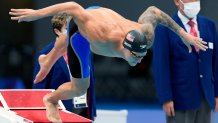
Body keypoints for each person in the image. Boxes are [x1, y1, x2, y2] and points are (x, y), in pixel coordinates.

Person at [9, 2, 208, 122]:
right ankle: (50, 99)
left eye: (142, 56)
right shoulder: (101, 36)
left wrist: (183, 35)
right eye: (136, 56)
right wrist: (36, 15)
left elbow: (154, 12)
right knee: (80, 86)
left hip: (101, 16)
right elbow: (73, 8)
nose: (139, 60)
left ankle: (47, 61)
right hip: (85, 29)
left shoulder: (146, 34)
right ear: (124, 47)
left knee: (65, 49)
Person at [153, 0, 218, 123]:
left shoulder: (210, 25)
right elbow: (161, 67)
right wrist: (166, 98)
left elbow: (216, 63)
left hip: (206, 97)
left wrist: (216, 93)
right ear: (177, 2)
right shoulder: (164, 29)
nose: (194, 2)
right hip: (179, 99)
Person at [32, 15, 96, 120]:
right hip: (60, 111)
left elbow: (90, 80)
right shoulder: (45, 54)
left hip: (84, 109)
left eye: (75, 28)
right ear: (57, 31)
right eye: (67, 29)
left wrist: (91, 111)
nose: (73, 32)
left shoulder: (84, 49)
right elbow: (38, 89)